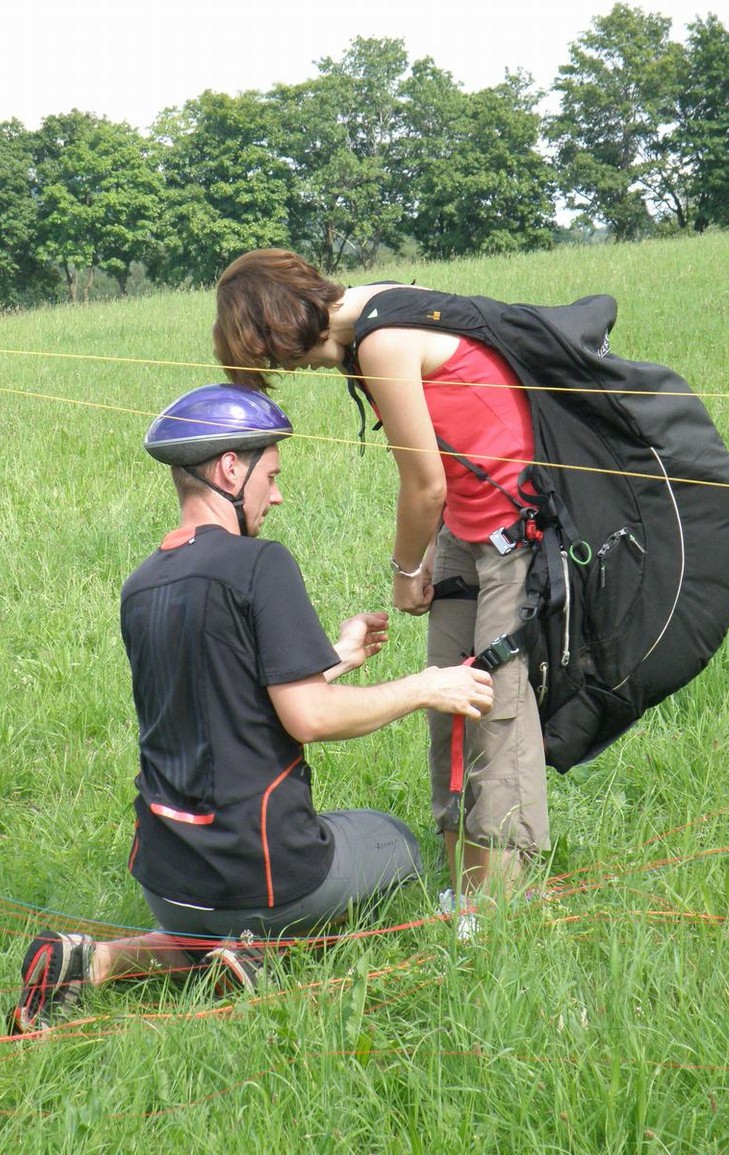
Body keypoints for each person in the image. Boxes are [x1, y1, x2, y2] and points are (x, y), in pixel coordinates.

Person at [9, 384, 494, 1035]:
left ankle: (93, 960)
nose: (278, 493)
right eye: (271, 474)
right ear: (230, 468)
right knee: (396, 842)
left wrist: (337, 655)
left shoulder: (141, 585)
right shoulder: (258, 563)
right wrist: (427, 686)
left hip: (166, 879)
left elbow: (220, 691)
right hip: (267, 879)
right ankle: (258, 944)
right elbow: (309, 717)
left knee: (206, 914)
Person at [213, 249, 549, 905]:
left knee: (496, 710)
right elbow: (446, 467)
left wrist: (403, 571)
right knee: (451, 706)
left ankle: (504, 906)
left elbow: (422, 483)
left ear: (285, 325)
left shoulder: (384, 340)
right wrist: (428, 555)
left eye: (276, 356)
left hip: (518, 535)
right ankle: (461, 889)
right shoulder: (369, 314)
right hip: (466, 527)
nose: (287, 370)